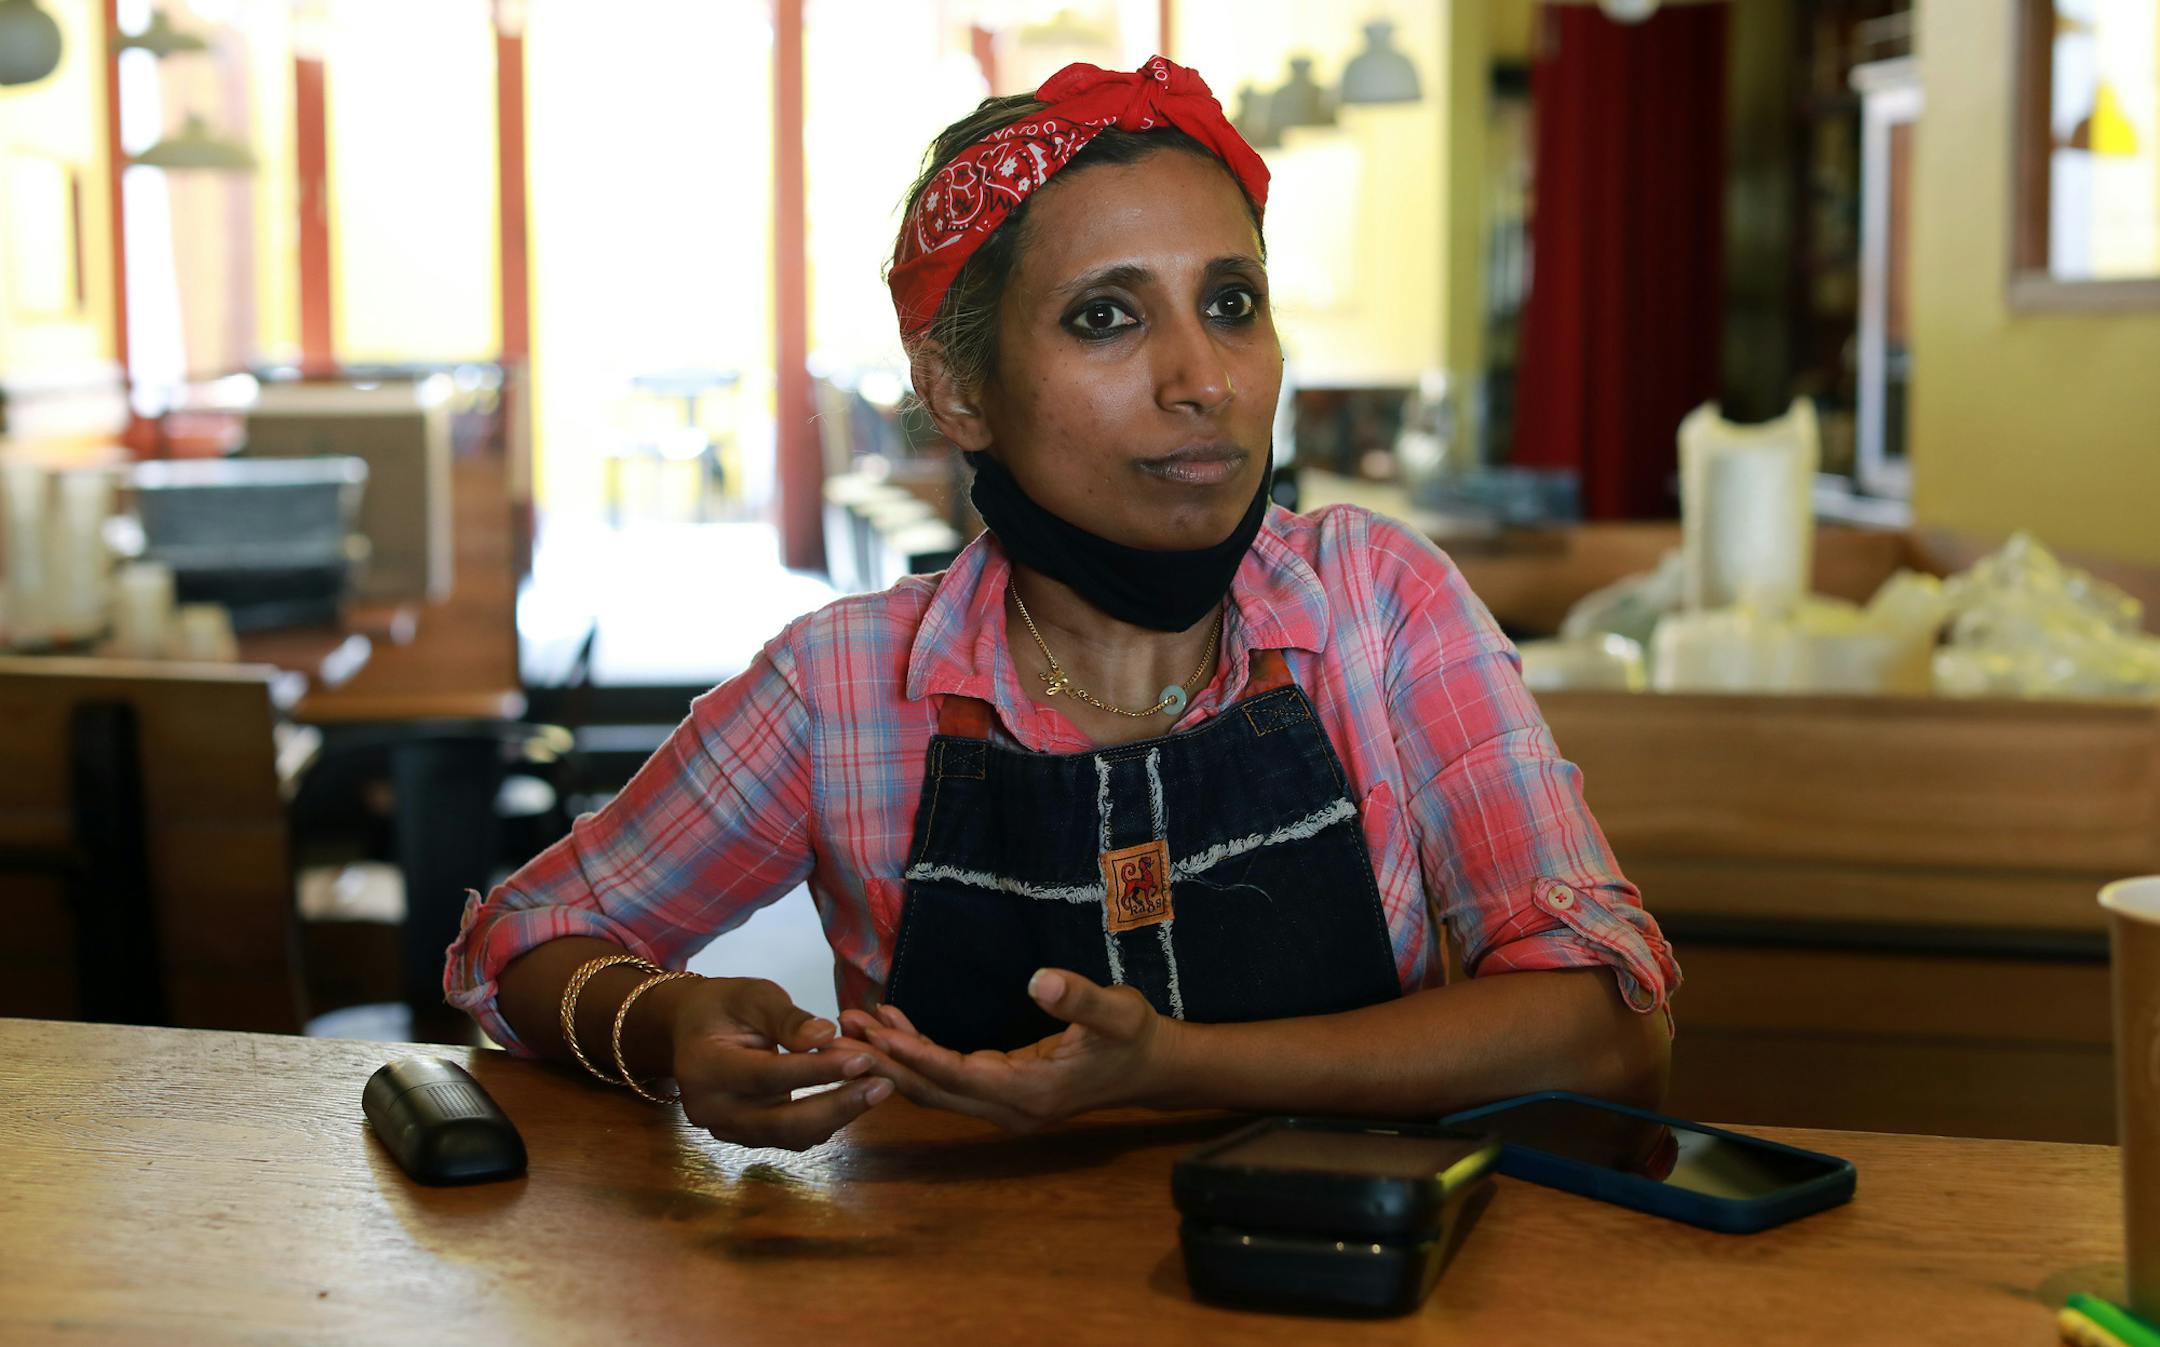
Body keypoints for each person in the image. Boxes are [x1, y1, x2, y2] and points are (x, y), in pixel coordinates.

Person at [445, 55, 1679, 1152]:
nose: (1203, 380)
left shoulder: (1375, 603)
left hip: (1346, 1279)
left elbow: (1608, 1026)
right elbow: (521, 938)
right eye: (1107, 318)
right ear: (958, 391)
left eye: (1231, 304)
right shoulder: (844, 690)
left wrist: (1176, 1068)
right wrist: (663, 1024)